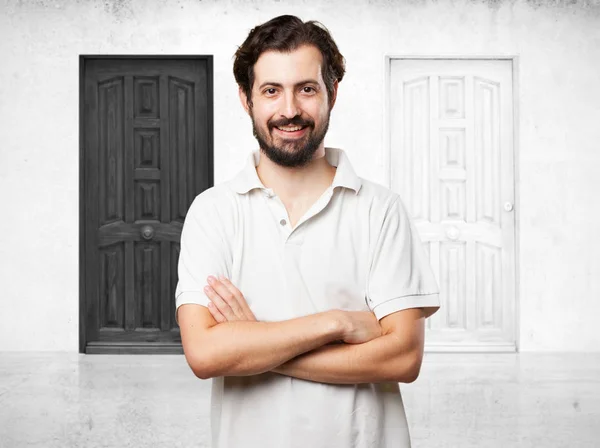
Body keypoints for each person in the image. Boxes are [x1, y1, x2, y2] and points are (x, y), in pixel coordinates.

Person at [175, 14, 440, 448]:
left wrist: (256, 343)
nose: (290, 110)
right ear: (247, 100)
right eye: (271, 91)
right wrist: (335, 323)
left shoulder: (382, 210)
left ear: (332, 93)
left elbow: (403, 358)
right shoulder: (212, 212)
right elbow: (205, 355)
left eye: (307, 89)